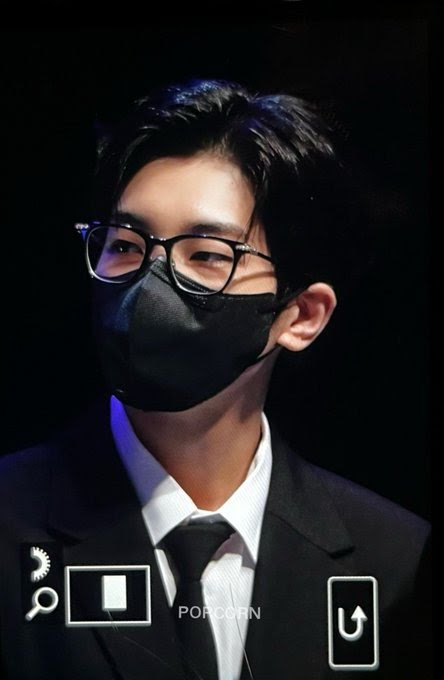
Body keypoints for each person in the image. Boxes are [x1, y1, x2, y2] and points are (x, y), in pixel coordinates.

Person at [0, 78, 432, 680]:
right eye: (125, 246)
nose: (149, 287)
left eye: (206, 255)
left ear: (301, 316)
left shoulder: (398, 562)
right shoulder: (9, 524)